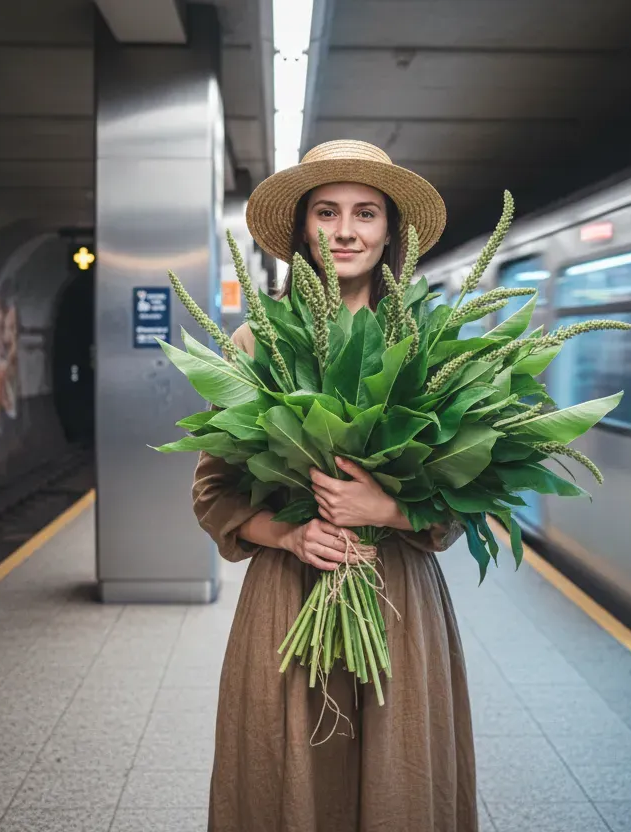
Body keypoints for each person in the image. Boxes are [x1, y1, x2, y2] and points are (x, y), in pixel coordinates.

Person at [194, 140, 477, 831]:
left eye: (366, 213)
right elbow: (213, 493)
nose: (346, 231)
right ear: (301, 231)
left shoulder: (429, 344)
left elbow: (464, 497)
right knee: (288, 775)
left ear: (390, 234)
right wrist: (289, 532)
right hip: (291, 597)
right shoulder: (253, 344)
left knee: (397, 782)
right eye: (326, 212)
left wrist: (390, 509)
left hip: (398, 600)